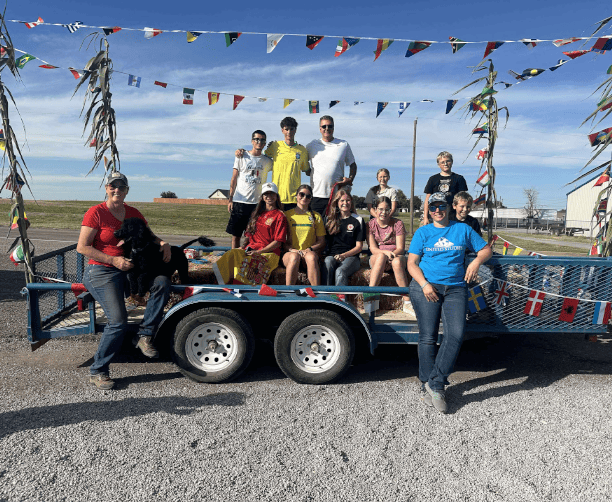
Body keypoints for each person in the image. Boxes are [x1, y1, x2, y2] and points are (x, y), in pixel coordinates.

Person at [77, 171, 172, 390]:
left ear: (127, 190)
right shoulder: (96, 213)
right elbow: (82, 247)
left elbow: (148, 235)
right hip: (102, 270)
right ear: (106, 188)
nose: (117, 190)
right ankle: (98, 370)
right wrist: (114, 260)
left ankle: (144, 335)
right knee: (118, 321)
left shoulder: (133, 212)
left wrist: (163, 243)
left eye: (121, 187)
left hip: (130, 267)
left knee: (162, 282)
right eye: (113, 186)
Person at [408, 192, 492, 414]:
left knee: (455, 334)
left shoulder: (462, 229)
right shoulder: (423, 232)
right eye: (433, 206)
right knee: (428, 336)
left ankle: (436, 382)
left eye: (441, 206)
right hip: (426, 286)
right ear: (429, 209)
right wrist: (425, 284)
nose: (437, 210)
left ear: (449, 207)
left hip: (456, 287)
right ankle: (427, 383)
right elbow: (411, 263)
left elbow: (486, 249)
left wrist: (475, 263)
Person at [213, 182, 287, 286]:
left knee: (249, 263)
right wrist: (243, 247)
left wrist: (259, 252)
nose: (269, 197)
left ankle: (243, 290)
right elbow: (249, 235)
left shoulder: (280, 216)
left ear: (276, 196)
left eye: (272, 194)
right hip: (252, 249)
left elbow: (278, 242)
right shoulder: (257, 213)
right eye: (266, 194)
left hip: (269, 253)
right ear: (262, 197)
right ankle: (222, 286)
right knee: (231, 254)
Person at [226, 130, 273, 248]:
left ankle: (246, 260)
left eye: (262, 140)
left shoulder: (267, 161)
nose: (259, 142)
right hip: (240, 201)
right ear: (252, 141)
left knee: (251, 235)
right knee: (236, 235)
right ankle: (235, 260)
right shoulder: (242, 156)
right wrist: (230, 199)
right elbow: (234, 178)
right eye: (257, 139)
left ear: (264, 143)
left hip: (256, 203)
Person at [306, 116, 357, 217]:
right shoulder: (312, 145)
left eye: (330, 126)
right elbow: (300, 157)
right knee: (317, 230)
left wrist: (350, 179)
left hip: (337, 196)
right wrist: (308, 171)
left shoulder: (343, 145)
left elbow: (353, 165)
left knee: (335, 230)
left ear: (333, 128)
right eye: (324, 126)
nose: (327, 128)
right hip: (316, 196)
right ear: (320, 128)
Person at [283, 184, 326, 286]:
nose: (304, 198)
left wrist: (310, 249)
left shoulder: (316, 216)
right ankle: (289, 293)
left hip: (308, 254)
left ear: (311, 199)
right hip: (290, 253)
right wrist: (293, 250)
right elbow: (281, 241)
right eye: (301, 194)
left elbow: (321, 241)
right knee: (294, 257)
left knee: (311, 257)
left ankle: (316, 294)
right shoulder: (287, 215)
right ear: (296, 196)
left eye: (308, 196)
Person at [322, 188, 365, 286]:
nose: (345, 203)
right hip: (332, 256)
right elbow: (325, 243)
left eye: (348, 200)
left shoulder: (358, 220)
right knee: (328, 262)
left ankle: (340, 298)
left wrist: (343, 255)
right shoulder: (330, 219)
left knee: (340, 271)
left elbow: (359, 247)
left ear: (351, 202)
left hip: (351, 257)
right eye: (342, 200)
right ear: (337, 202)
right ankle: (326, 295)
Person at [368, 196, 409, 296]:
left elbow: (400, 248)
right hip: (378, 258)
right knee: (381, 257)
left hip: (396, 256)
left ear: (391, 210)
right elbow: (373, 249)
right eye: (381, 209)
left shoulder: (398, 223)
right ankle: (370, 295)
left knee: (397, 262)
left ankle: (406, 298)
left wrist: (391, 255)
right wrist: (385, 254)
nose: (384, 212)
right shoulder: (370, 225)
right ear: (375, 209)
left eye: (387, 210)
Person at [422, 151, 468, 224]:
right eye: (442, 162)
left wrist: (462, 215)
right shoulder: (433, 179)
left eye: (448, 161)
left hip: (453, 216)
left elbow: (463, 199)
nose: (445, 164)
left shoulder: (459, 178)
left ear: (452, 162)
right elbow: (427, 199)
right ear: (438, 164)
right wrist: (425, 217)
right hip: (436, 214)